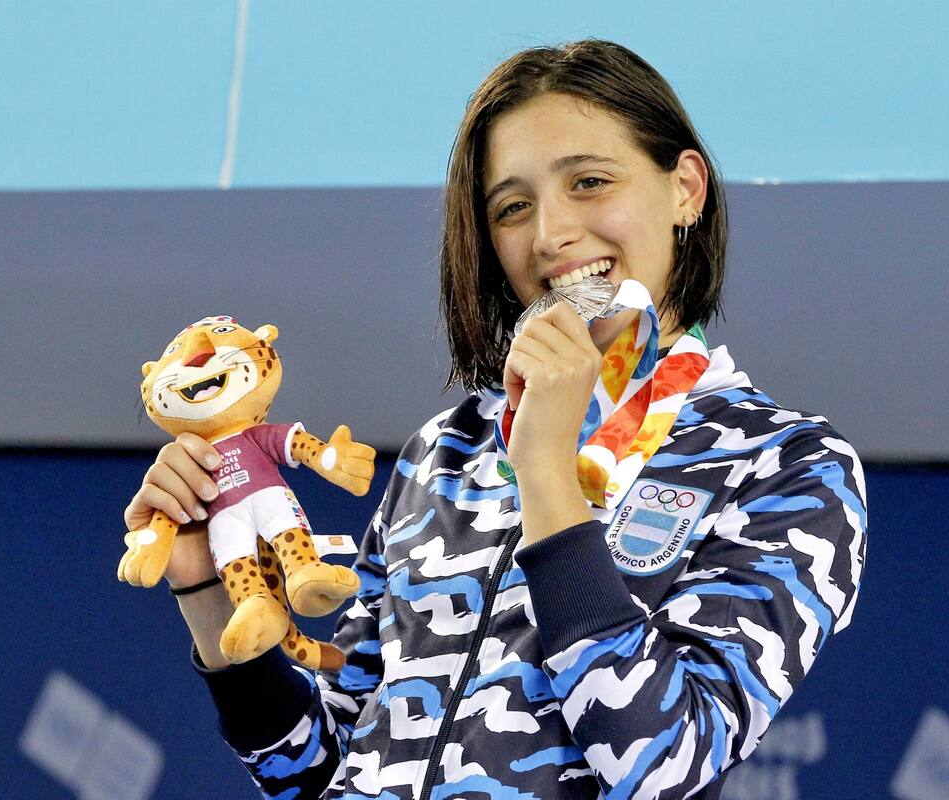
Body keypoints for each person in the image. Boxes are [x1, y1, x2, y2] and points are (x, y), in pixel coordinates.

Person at [124, 39, 867, 800]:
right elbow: (318, 772)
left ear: (685, 189)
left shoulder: (785, 463)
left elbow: (665, 760)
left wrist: (546, 469)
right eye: (513, 207)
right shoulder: (445, 452)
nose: (550, 235)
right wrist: (204, 588)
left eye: (589, 181)